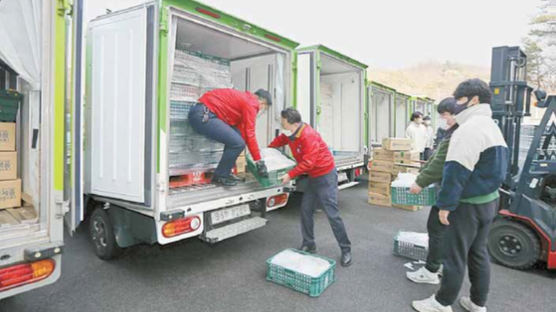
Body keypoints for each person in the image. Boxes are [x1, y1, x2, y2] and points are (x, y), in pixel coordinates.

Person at [412, 79, 508, 312]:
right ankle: (477, 303)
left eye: (459, 100)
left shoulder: (469, 129)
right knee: (478, 254)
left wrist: (445, 206)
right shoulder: (490, 125)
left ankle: (442, 302)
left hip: (467, 205)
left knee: (454, 256)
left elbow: (455, 172)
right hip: (489, 201)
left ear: (473, 100)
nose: (456, 105)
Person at [268, 108, 352, 267]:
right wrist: (267, 151)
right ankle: (309, 243)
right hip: (313, 177)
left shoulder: (308, 135)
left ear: (289, 120)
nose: (281, 122)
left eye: (282, 119)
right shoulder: (292, 133)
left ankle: (346, 249)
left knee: (332, 214)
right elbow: (281, 141)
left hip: (325, 176)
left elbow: (308, 163)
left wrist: (290, 175)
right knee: (306, 210)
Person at [405, 97, 458, 285]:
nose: (445, 120)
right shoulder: (460, 131)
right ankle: (441, 264)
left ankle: (431, 270)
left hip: (450, 191)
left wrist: (420, 182)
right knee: (444, 231)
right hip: (454, 190)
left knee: (437, 229)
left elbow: (439, 162)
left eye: (446, 116)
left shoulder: (458, 133)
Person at [188, 88, 272, 186]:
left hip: (203, 113)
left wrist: (255, 157)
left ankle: (227, 172)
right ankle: (220, 176)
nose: (261, 109)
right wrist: (259, 161)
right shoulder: (252, 104)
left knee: (238, 140)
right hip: (204, 115)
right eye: (264, 107)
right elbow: (250, 133)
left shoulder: (246, 100)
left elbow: (243, 133)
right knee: (237, 143)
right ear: (262, 102)